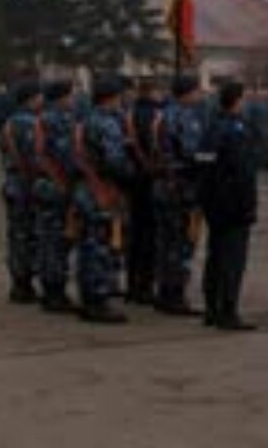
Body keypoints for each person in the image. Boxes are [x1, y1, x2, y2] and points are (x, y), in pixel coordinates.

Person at [73, 77, 134, 324]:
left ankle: (88, 298)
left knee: (88, 245)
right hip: (103, 191)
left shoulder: (86, 120)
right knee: (101, 246)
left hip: (86, 189)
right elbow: (114, 162)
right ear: (112, 97)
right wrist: (131, 174)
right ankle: (98, 301)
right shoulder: (107, 124)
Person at [200, 82, 258, 331]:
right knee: (232, 260)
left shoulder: (211, 127)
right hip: (233, 205)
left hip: (213, 203)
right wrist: (248, 206)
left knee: (215, 256)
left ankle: (211, 309)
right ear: (237, 100)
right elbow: (243, 173)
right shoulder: (236, 130)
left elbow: (202, 164)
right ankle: (228, 311)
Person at [152, 76, 206, 315]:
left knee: (166, 243)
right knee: (181, 244)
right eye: (197, 91)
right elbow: (192, 153)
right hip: (181, 188)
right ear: (187, 93)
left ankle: (165, 293)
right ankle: (175, 297)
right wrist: (215, 158)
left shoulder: (164, 114)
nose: (200, 95)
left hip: (165, 185)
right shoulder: (184, 116)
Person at [33, 80, 76, 313]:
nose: (74, 99)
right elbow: (66, 154)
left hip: (44, 184)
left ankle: (50, 290)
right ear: (61, 97)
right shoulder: (58, 119)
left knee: (48, 238)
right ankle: (55, 293)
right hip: (56, 185)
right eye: (71, 95)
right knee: (57, 240)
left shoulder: (42, 117)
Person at [0, 80, 43, 304]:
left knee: (16, 235)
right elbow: (34, 158)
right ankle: (23, 284)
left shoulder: (9, 122)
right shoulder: (28, 123)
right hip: (25, 184)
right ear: (31, 99)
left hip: (12, 183)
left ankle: (19, 282)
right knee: (27, 235)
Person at [123, 78, 163, 305]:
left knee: (134, 235)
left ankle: (131, 283)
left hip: (132, 180)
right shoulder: (154, 116)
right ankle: (145, 285)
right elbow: (155, 146)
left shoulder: (127, 114)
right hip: (150, 179)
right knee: (150, 236)